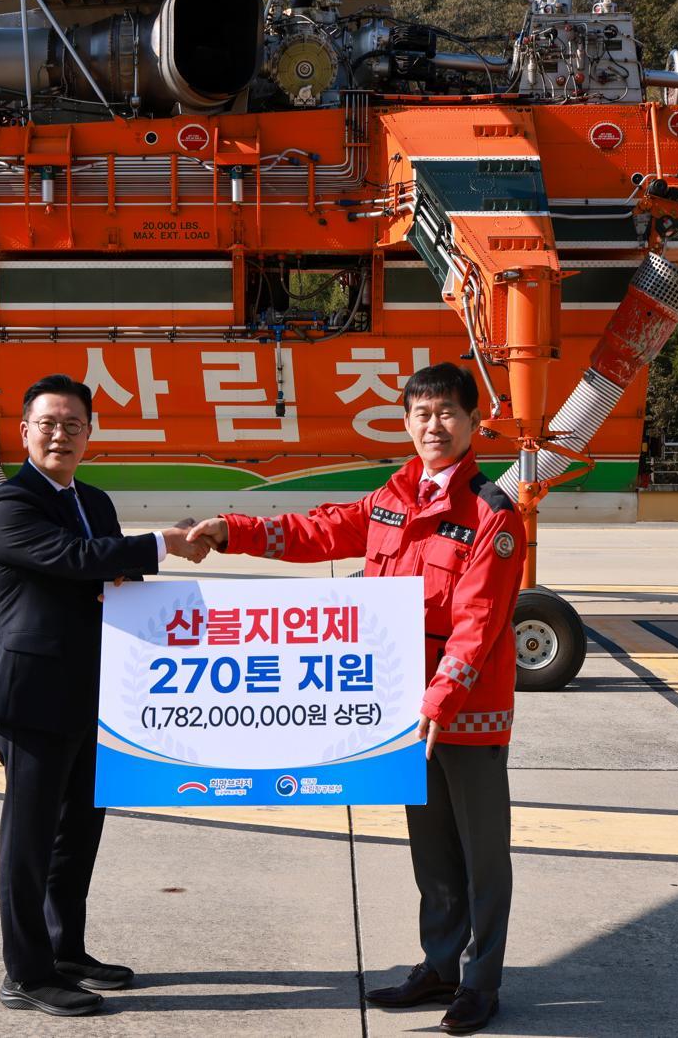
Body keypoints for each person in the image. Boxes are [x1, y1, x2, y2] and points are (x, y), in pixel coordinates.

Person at [187, 362, 525, 1036]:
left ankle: (481, 981)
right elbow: (317, 530)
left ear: (470, 421)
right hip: (403, 709)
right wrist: (234, 530)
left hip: (464, 711)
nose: (434, 425)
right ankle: (439, 964)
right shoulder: (391, 498)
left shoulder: (491, 512)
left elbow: (479, 619)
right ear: (405, 422)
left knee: (481, 854)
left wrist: (439, 697)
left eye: (447, 413)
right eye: (421, 414)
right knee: (431, 853)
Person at [0, 373, 209, 1017]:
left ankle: (65, 951)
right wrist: (167, 541)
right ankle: (25, 974)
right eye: (47, 423)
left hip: (97, 695)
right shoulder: (10, 505)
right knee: (28, 842)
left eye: (72, 424)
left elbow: (119, 576)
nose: (59, 434)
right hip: (32, 697)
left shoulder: (96, 501)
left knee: (78, 832)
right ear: (23, 431)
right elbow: (78, 559)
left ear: (89, 434)